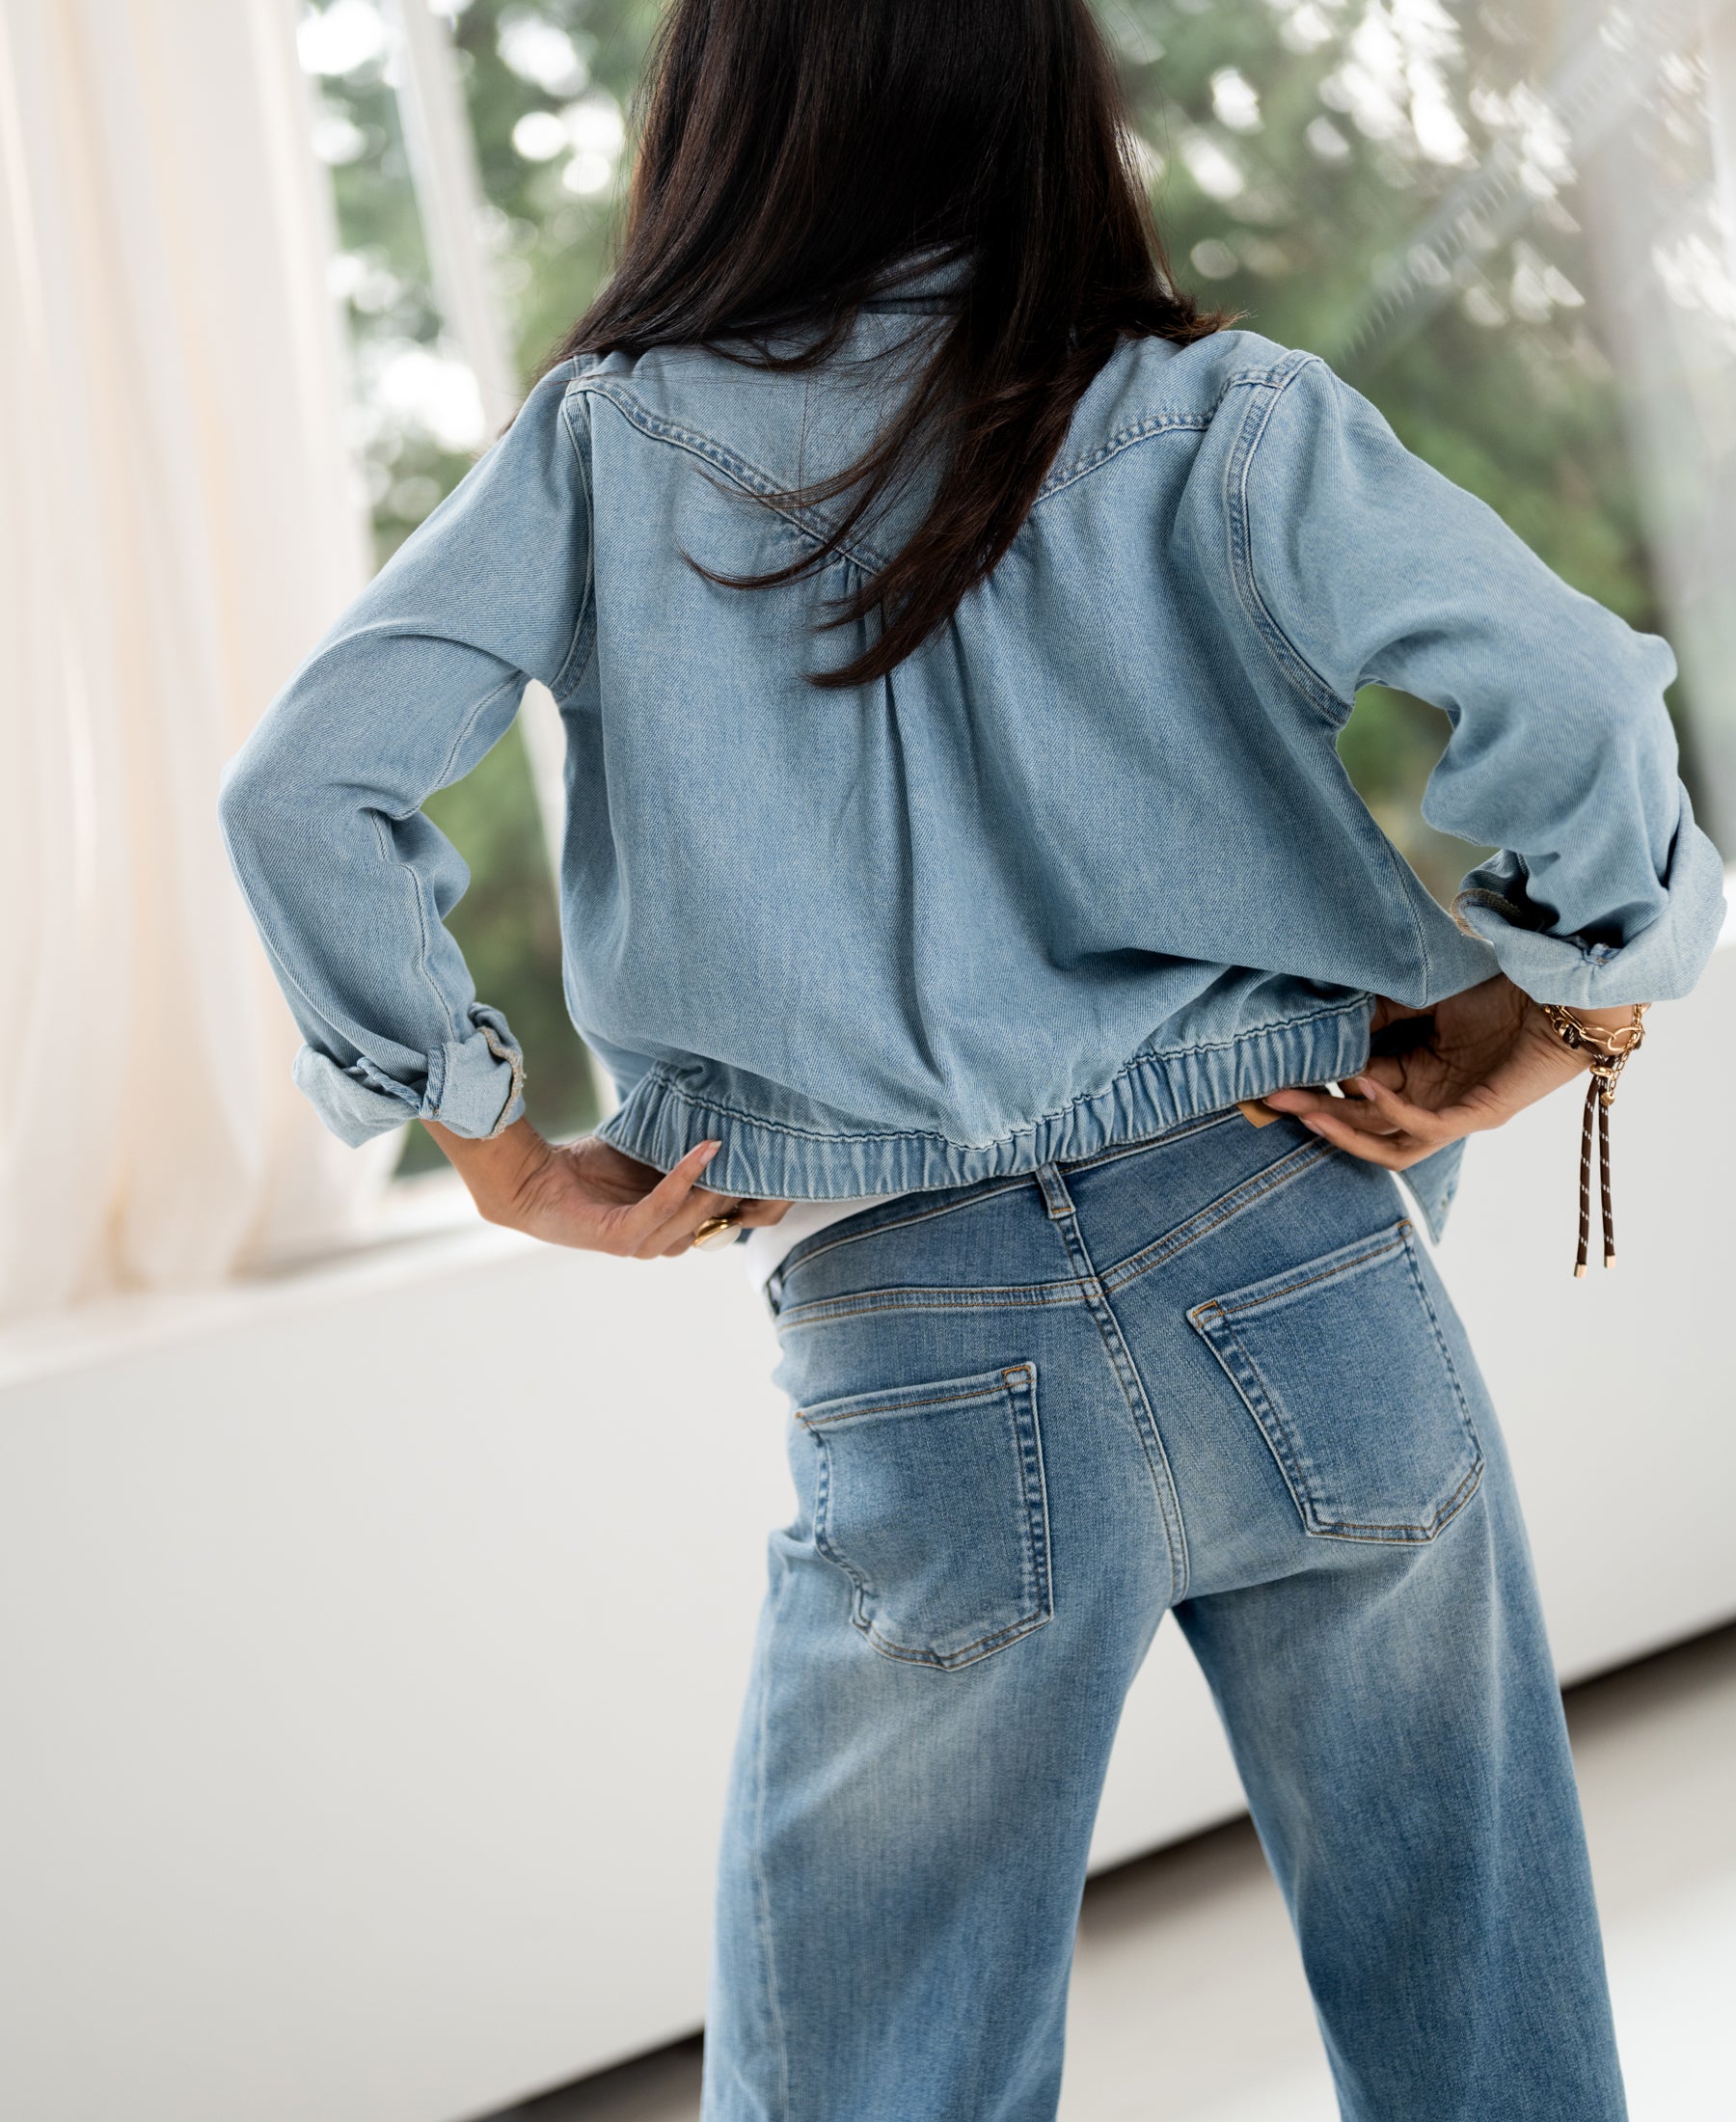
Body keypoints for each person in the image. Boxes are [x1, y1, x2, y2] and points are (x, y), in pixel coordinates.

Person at [219, 2, 1725, 2114]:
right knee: (1487, 2019)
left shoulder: (605, 446)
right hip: (1308, 1255)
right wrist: (1568, 994)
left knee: (869, 2070)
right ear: (1048, 94)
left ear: (726, 111)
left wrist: (479, 1131)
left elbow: (302, 791)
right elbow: (1573, 691)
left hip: (924, 1347)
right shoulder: (1217, 408)